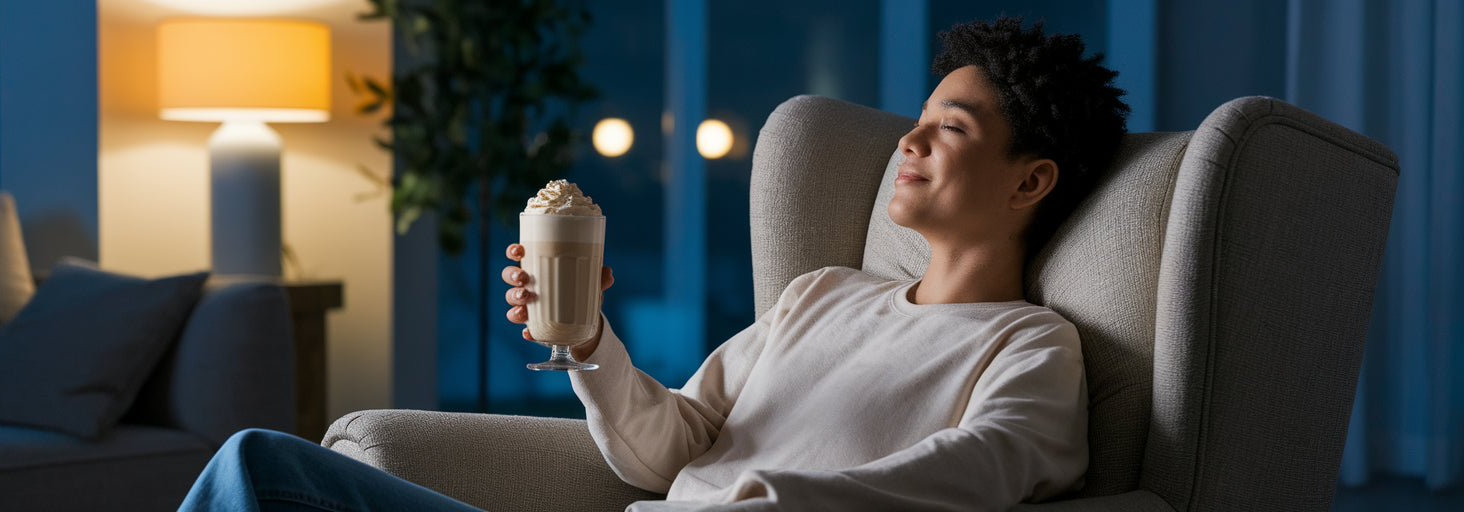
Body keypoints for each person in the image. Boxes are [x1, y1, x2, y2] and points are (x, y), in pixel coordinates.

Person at [177, 16, 1128, 511]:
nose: (909, 140)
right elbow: (672, 448)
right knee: (258, 466)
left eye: (948, 129)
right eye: (916, 119)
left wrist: (762, 502)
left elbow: (980, 472)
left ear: (1029, 181)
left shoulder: (1029, 348)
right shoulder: (825, 296)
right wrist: (590, 342)